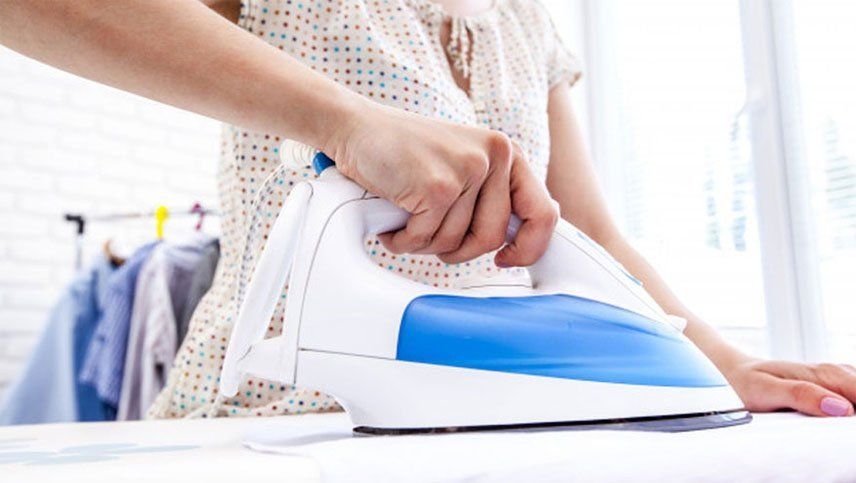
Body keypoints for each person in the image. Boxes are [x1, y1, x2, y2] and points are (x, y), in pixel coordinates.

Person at [2, 0, 854, 420]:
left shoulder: (523, 18)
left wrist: (718, 363)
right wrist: (347, 120)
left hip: (496, 420)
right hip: (277, 418)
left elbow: (584, 232)